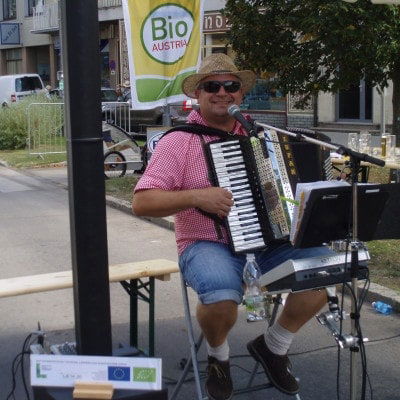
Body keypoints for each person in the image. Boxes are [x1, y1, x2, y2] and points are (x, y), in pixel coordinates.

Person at [132, 53, 332, 400]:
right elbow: (142, 202)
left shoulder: (262, 135)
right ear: (198, 94)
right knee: (222, 297)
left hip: (269, 243)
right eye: (213, 86)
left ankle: (273, 346)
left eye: (231, 86)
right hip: (208, 242)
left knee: (324, 274)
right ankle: (219, 359)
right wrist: (196, 196)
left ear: (241, 94)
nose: (222, 92)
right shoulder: (179, 141)